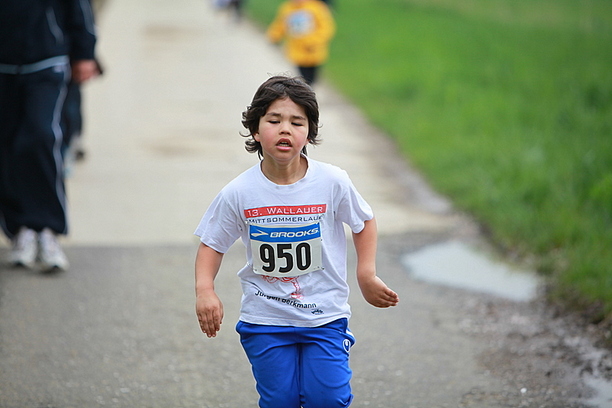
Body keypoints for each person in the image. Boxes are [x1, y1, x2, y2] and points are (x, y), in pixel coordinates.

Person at [194, 76, 399, 408]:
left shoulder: (332, 181)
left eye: (296, 122)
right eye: (274, 121)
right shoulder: (239, 192)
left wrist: (366, 273)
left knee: (328, 399)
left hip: (324, 316)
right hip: (266, 320)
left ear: (309, 133)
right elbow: (212, 244)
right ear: (256, 130)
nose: (285, 129)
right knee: (281, 402)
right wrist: (205, 290)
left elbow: (363, 222)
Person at [0, 0, 98, 272]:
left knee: (40, 135)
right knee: (7, 146)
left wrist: (85, 52)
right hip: (4, 66)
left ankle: (48, 228)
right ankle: (20, 229)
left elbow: (78, 7)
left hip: (46, 60)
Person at [267, 0, 335, 86]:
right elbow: (281, 24)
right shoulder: (288, 8)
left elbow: (326, 28)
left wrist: (313, 42)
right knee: (304, 77)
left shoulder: (317, 7)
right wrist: (274, 35)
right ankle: (307, 89)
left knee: (312, 76)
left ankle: (309, 88)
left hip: (314, 52)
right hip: (297, 51)